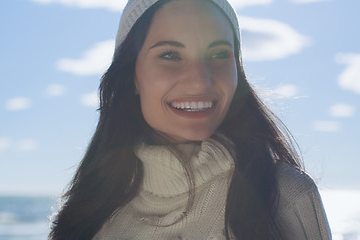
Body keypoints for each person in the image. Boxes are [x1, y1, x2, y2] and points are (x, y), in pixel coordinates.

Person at [49, 0, 332, 239]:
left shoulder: (286, 195)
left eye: (219, 54)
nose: (199, 81)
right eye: (170, 55)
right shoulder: (86, 217)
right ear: (131, 75)